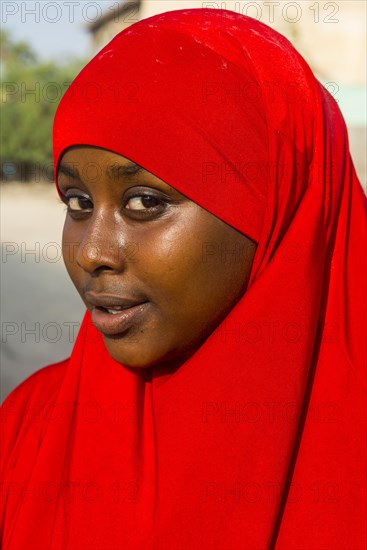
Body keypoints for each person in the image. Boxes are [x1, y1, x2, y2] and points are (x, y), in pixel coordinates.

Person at [1, 8, 366, 550]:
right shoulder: (26, 430)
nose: (91, 252)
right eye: (77, 202)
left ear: (272, 210)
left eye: (144, 202)